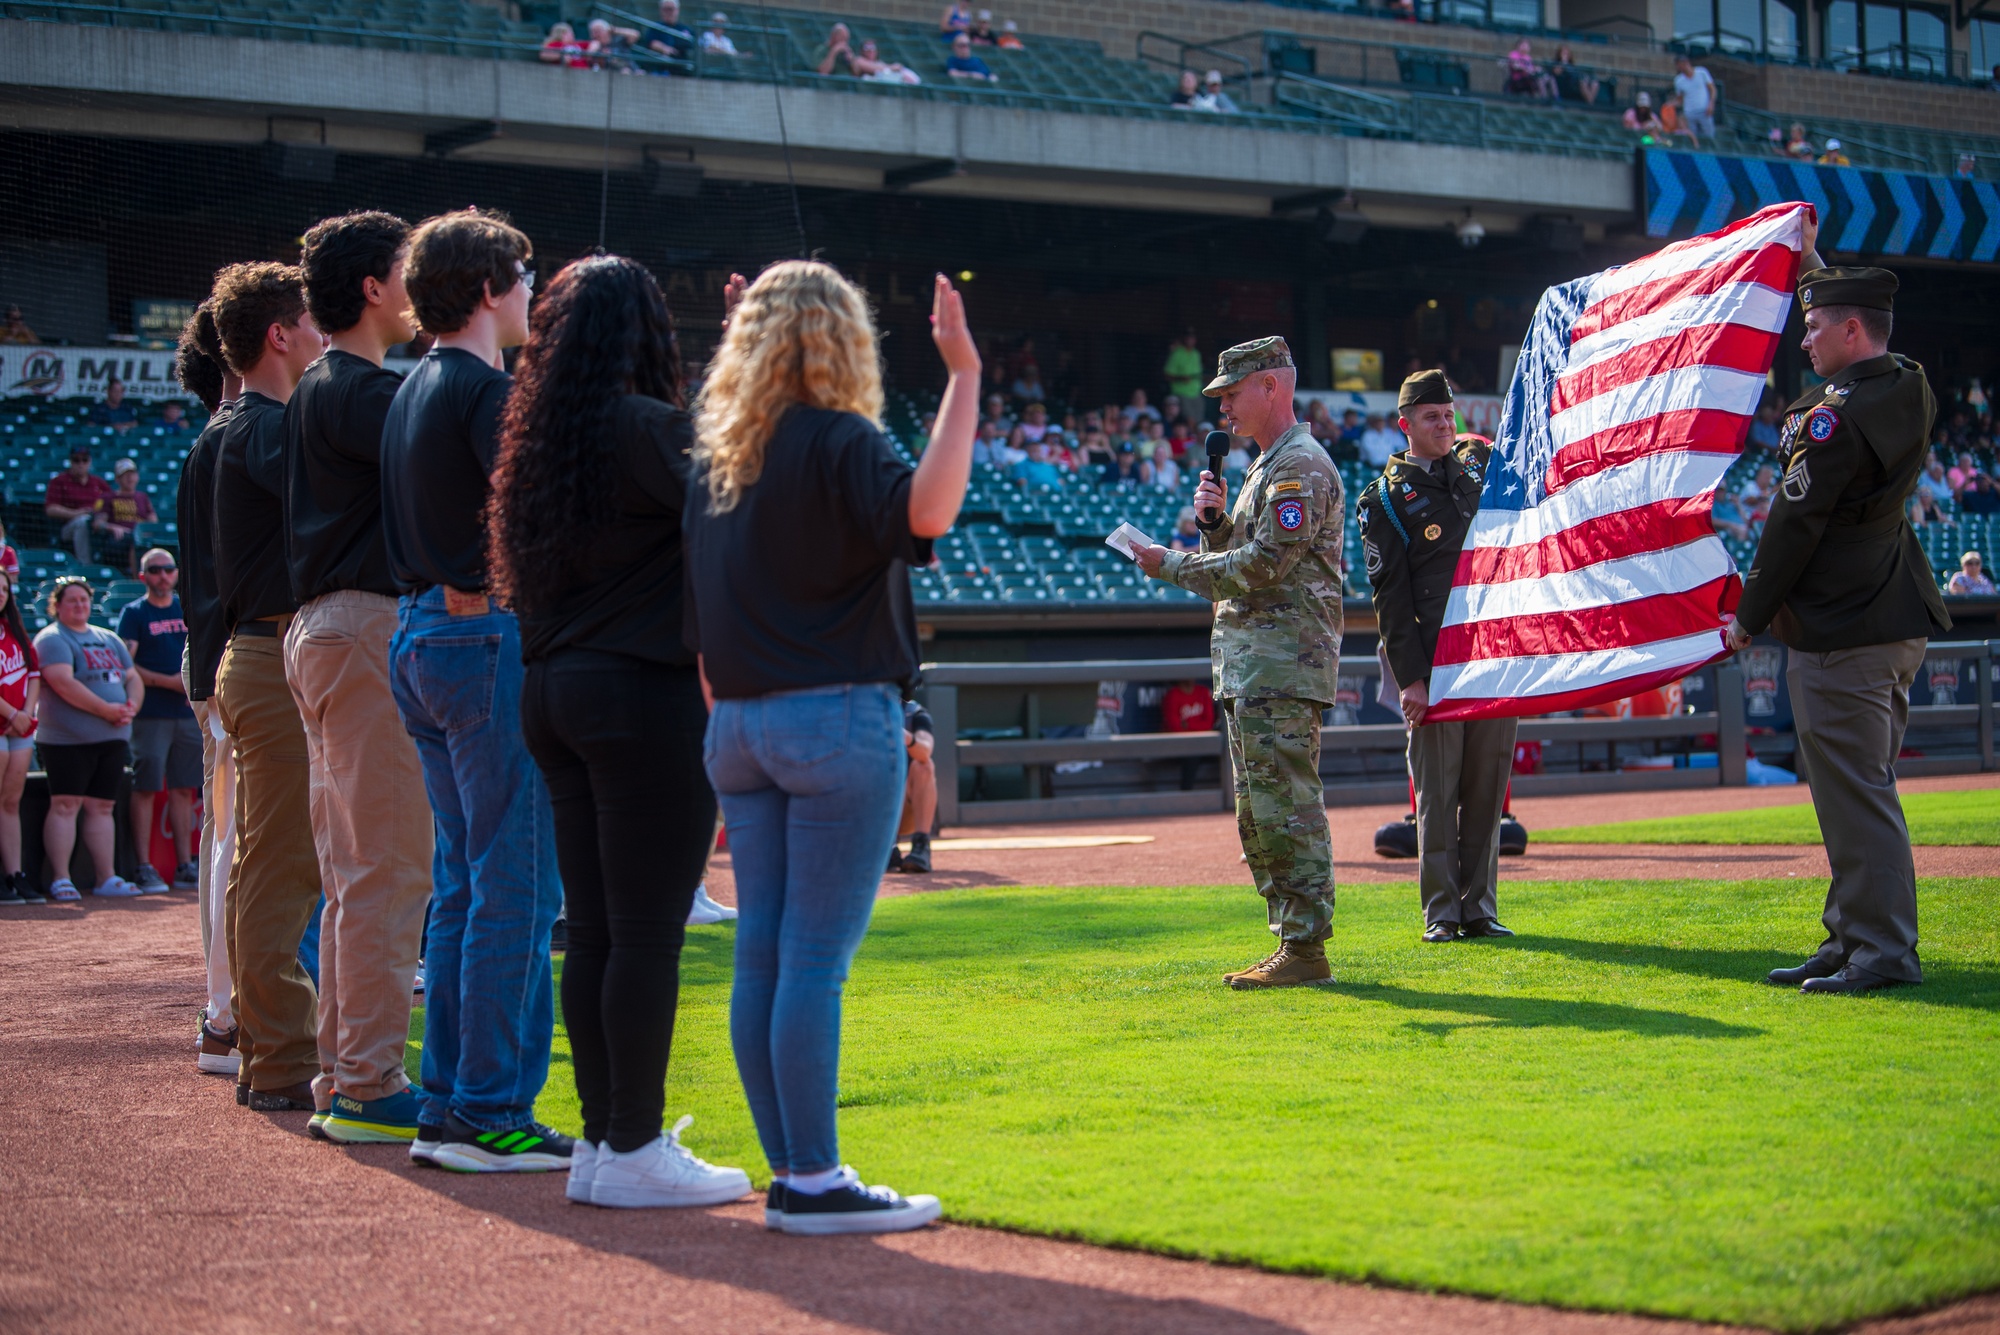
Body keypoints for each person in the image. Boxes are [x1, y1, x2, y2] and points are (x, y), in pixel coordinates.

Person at [685, 262, 975, 1235]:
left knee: (763, 957)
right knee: (810, 961)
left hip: (737, 725)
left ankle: (793, 1172)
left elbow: (697, 627)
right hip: (834, 719)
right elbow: (927, 514)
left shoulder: (719, 456)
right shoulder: (841, 437)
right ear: (841, 340)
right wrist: (962, 376)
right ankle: (810, 1180)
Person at [491, 254, 743, 1199]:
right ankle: (633, 1147)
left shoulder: (536, 444)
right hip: (640, 696)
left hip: (552, 693)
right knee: (643, 935)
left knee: (593, 929)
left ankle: (603, 1146)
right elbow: (736, 489)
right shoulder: (642, 425)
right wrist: (746, 351)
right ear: (646, 334)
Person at [381, 209, 568, 1170]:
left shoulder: (411, 384)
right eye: (524, 274)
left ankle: (452, 1098)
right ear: (489, 287)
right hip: (485, 634)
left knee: (463, 882)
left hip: (418, 632)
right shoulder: (487, 389)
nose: (533, 291)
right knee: (518, 886)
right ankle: (491, 1107)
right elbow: (540, 519)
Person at [1724, 245, 1952, 996]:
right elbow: (1874, 346)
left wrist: (1749, 617)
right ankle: (1851, 933)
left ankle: (1882, 950)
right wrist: (1815, 264)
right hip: (1892, 616)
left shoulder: (1830, 421)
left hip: (1840, 631)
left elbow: (1792, 527)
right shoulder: (1910, 385)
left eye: (1815, 323)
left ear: (1852, 331)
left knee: (1855, 793)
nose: (1804, 337)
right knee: (1860, 786)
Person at [283, 210, 438, 1147]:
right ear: (375, 287)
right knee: (387, 870)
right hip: (363, 624)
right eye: (407, 270)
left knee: (354, 874)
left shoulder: (321, 384)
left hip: (323, 629)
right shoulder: (361, 388)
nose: (418, 286)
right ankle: (371, 1083)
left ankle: (346, 1073)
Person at [1130, 338, 1344, 989]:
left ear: (1271, 386)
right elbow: (1254, 554)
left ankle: (1306, 947)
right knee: (1261, 811)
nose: (1221, 406)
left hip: (1281, 666)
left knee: (1286, 808)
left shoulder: (1297, 467)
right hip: (1257, 667)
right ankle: (1291, 942)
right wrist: (1219, 525)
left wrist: (1172, 563)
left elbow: (1264, 567)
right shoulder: (1267, 467)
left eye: (1231, 392)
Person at [209, 259, 327, 1112]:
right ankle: (282, 1056)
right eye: (313, 320)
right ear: (280, 334)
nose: (324, 334)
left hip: (256, 654)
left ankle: (268, 1049)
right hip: (271, 653)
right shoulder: (263, 427)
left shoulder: (234, 424)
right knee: (282, 870)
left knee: (264, 866)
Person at [1356, 372, 1513, 942]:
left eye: (1448, 415)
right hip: (1435, 661)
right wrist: (1411, 679)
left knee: (1487, 788)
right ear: (1406, 426)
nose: (1444, 425)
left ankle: (1481, 908)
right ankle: (1443, 912)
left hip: (1490, 656)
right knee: (1439, 793)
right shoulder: (1385, 498)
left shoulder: (1477, 471)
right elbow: (1390, 599)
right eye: (1431, 417)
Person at [175, 299, 244, 1076]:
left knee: (229, 838)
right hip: (233, 661)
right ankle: (227, 1014)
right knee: (235, 841)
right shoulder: (230, 437)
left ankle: (225, 1014)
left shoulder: (215, 438)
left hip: (219, 663)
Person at [34, 576, 143, 902]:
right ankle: (61, 879)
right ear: (57, 605)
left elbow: (132, 676)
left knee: (103, 807)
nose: (80, 605)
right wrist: (107, 710)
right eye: (72, 600)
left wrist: (130, 708)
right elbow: (62, 683)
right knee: (65, 805)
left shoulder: (108, 637)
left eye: (84, 599)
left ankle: (106, 877)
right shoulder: (52, 639)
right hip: (67, 740)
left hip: (112, 737)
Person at [117, 548, 199, 893]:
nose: (162, 575)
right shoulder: (134, 613)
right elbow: (124, 663)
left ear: (177, 573)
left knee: (183, 790)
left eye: (168, 569)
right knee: (147, 787)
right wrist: (169, 682)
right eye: (155, 570)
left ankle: (186, 864)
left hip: (187, 713)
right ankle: (144, 866)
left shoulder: (187, 607)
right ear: (143, 576)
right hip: (151, 715)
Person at [0, 576, 40, 905]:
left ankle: (15, 874)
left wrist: (24, 714)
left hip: (19, 728)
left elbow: (34, 676)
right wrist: (13, 715)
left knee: (11, 803)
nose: (0, 594)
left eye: (3, 588)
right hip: (6, 724)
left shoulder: (16, 631)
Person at [886, 698, 935, 873]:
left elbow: (925, 750)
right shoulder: (860, 709)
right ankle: (884, 844)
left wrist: (905, 737)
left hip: (904, 809)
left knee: (924, 766)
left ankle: (921, 846)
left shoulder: (914, 713)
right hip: (868, 808)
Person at [45, 445, 113, 566]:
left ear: (90, 462)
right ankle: (85, 565)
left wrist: (101, 517)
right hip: (67, 526)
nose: (81, 464)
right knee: (83, 521)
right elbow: (51, 509)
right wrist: (76, 513)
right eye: (76, 460)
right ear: (70, 462)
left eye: (84, 460)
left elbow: (111, 503)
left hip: (96, 523)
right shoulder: (59, 481)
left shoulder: (98, 482)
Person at [1672, 54, 1716, 139]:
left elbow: (1712, 89)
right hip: (1689, 113)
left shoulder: (1702, 72)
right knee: (1692, 137)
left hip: (1704, 110)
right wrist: (1670, 104)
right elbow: (1680, 99)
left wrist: (1711, 104)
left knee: (1709, 136)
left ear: (1686, 63)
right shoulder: (1678, 81)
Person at [645, 0, 695, 69]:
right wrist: (664, 48)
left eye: (670, 9)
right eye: (665, 9)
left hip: (681, 64)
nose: (668, 12)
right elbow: (651, 43)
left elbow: (691, 45)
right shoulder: (655, 28)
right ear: (661, 10)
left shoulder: (685, 29)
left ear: (677, 10)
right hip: (660, 64)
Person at [1164, 329, 1203, 406]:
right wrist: (1180, 378)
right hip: (1181, 393)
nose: (1190, 340)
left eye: (1193, 338)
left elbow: (1199, 374)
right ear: (1184, 339)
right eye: (1189, 338)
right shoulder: (1177, 353)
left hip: (1197, 393)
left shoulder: (1196, 354)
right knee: (1188, 418)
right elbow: (1167, 375)